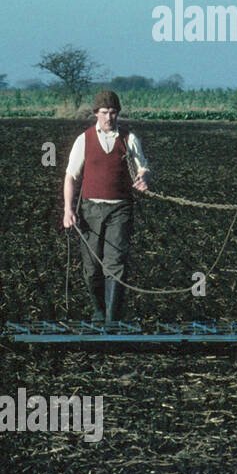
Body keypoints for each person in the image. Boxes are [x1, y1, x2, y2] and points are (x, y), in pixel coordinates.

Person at [62, 90, 150, 323]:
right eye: (104, 112)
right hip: (90, 210)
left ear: (118, 114)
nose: (109, 117)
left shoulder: (129, 139)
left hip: (120, 209)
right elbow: (71, 176)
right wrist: (68, 210)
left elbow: (142, 167)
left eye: (113, 112)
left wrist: (144, 178)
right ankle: (98, 311)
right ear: (96, 114)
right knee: (91, 267)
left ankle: (112, 319)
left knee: (115, 264)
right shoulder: (85, 139)